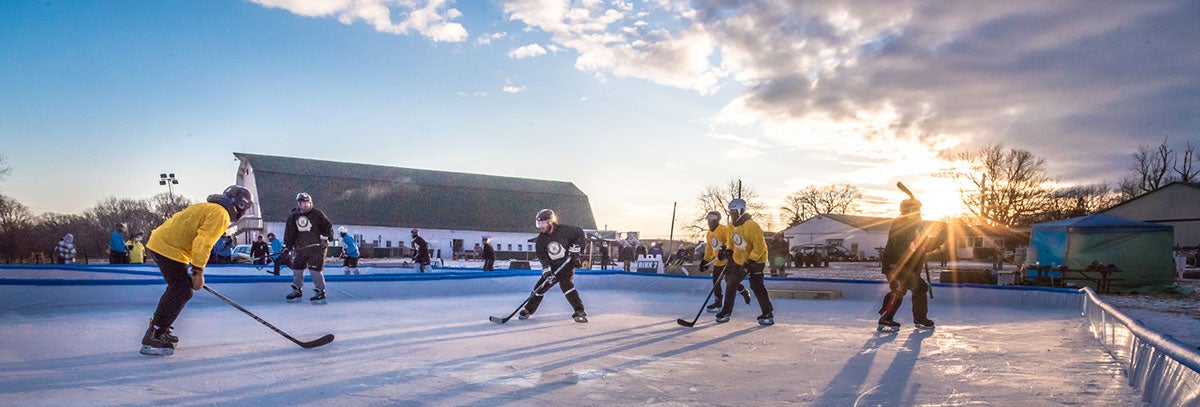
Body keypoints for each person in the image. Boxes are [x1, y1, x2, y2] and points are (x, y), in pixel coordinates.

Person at [140, 185, 254, 356]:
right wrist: (198, 271)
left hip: (164, 244)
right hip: (168, 247)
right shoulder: (221, 214)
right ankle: (155, 332)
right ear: (241, 205)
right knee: (182, 289)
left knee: (180, 288)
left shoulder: (210, 208)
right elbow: (203, 242)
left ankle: (159, 329)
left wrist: (194, 268)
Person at [877, 195, 944, 332]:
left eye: (919, 209)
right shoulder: (901, 225)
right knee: (905, 289)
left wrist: (943, 235)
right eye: (916, 209)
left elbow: (927, 245)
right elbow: (904, 248)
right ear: (907, 210)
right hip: (897, 266)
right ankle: (888, 318)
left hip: (909, 267)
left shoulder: (917, 227)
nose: (919, 213)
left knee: (911, 290)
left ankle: (915, 319)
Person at [520, 209, 589, 323]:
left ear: (550, 222)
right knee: (540, 287)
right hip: (553, 267)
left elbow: (581, 234)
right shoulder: (541, 239)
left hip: (567, 265)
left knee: (566, 286)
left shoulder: (565, 230)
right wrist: (547, 271)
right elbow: (542, 257)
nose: (540, 226)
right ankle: (528, 309)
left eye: (542, 223)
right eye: (539, 224)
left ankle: (580, 310)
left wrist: (577, 248)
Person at [717, 199, 775, 325]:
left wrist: (751, 261)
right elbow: (731, 243)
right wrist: (727, 251)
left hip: (757, 259)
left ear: (741, 211)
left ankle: (768, 312)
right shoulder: (731, 226)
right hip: (740, 259)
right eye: (730, 212)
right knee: (731, 282)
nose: (732, 215)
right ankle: (726, 312)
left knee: (756, 285)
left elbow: (760, 246)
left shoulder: (752, 225)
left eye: (734, 212)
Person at [284, 192, 334, 304]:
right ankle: (297, 290)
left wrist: (325, 238)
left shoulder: (317, 214)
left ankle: (320, 292)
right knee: (297, 268)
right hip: (301, 249)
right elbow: (290, 233)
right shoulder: (293, 216)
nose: (306, 205)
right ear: (299, 203)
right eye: (303, 202)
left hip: (316, 249)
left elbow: (328, 227)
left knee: (315, 270)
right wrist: (287, 246)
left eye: (308, 202)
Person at [698, 211, 749, 313]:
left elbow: (730, 241)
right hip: (718, 262)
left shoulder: (723, 229)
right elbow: (709, 248)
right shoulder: (709, 234)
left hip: (728, 261)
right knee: (716, 282)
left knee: (729, 281)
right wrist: (705, 260)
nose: (709, 222)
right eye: (708, 219)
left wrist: (724, 249)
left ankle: (743, 290)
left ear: (717, 220)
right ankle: (718, 302)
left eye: (711, 219)